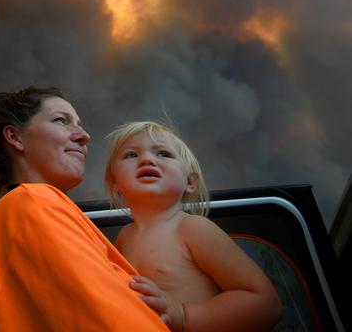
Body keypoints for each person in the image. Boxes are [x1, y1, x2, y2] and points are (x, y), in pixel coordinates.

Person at [0, 86, 169, 331]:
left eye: (80, 124)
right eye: (61, 121)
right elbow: (112, 320)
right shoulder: (33, 203)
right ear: (15, 137)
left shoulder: (33, 207)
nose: (84, 136)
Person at [104, 121, 282, 332]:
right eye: (131, 155)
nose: (147, 159)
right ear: (115, 182)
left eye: (163, 154)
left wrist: (184, 315)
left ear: (190, 182)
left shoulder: (194, 228)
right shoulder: (125, 238)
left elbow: (265, 303)